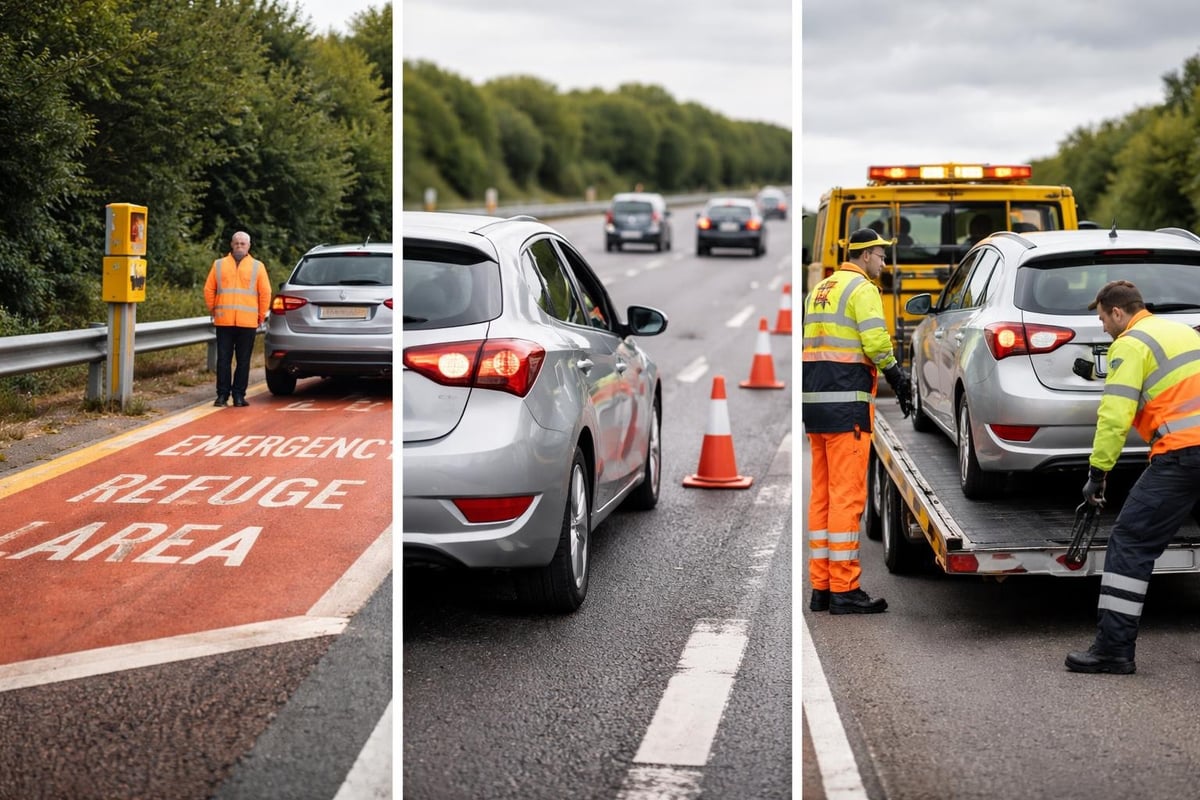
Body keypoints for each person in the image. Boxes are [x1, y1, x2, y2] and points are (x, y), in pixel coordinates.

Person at [1066, 280, 1200, 674]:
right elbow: (1165, 383)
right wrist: (1095, 372)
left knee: (1130, 543)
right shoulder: (1180, 331)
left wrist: (1098, 473)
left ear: (1118, 313)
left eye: (1103, 318)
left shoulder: (1130, 343)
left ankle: (1113, 650)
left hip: (1182, 456)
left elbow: (1115, 416)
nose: (1103, 326)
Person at [802, 228, 913, 615]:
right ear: (865, 255)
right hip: (847, 406)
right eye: (881, 256)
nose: (884, 263)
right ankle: (845, 589)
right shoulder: (862, 289)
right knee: (847, 498)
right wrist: (897, 377)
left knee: (822, 497)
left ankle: (822, 587)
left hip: (816, 407)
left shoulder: (820, 290)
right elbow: (876, 342)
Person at [204, 231, 271, 407]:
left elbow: (265, 293)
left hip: (247, 322)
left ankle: (239, 395)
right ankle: (222, 395)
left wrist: (260, 315)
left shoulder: (258, 266)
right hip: (224, 321)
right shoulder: (219, 264)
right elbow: (209, 289)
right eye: (237, 243)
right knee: (223, 361)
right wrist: (214, 308)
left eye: (243, 243)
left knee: (243, 361)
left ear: (249, 246)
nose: (239, 246)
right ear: (231, 245)